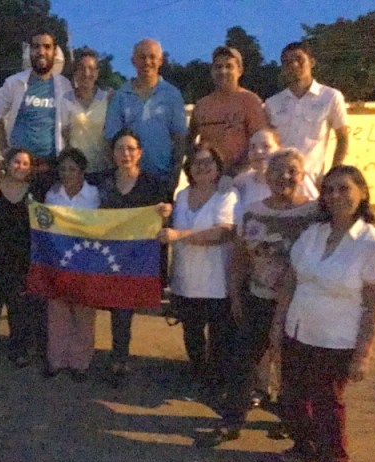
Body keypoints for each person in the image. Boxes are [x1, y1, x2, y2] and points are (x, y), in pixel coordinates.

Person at [271, 165, 375, 462]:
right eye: (329, 189)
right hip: (297, 330)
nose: (335, 195)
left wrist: (363, 354)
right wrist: (277, 329)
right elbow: (291, 284)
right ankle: (304, 445)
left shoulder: (370, 243)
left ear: (362, 193)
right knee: (291, 398)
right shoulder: (313, 233)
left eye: (344, 189)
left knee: (326, 406)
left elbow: (374, 305)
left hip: (336, 341)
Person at [198, 148, 319, 447]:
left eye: (292, 170)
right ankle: (232, 421)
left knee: (294, 367)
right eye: (277, 170)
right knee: (243, 362)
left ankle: (294, 423)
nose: (284, 176)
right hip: (258, 298)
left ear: (303, 176)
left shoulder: (314, 214)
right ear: (265, 176)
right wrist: (236, 296)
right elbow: (240, 257)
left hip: (300, 304)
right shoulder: (253, 211)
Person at [157, 145, 237, 397]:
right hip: (185, 279)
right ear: (188, 168)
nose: (202, 167)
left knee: (218, 336)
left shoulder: (227, 195)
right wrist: (164, 216)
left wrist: (178, 235)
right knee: (191, 332)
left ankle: (216, 381)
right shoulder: (181, 195)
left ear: (217, 167)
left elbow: (223, 233)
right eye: (197, 163)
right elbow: (169, 228)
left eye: (208, 163)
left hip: (216, 281)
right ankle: (198, 375)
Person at [97, 128, 168, 381]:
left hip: (136, 258)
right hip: (106, 254)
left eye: (130, 149)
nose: (125, 153)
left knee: (123, 307)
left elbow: (166, 216)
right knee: (112, 306)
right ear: (112, 153)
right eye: (119, 148)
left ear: (140, 153)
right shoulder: (100, 180)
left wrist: (164, 212)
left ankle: (120, 358)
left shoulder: (153, 184)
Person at [0, 148, 46, 367]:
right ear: (8, 163)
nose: (21, 167)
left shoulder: (33, 193)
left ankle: (18, 350)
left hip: (21, 260)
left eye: (26, 164)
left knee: (19, 310)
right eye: (17, 162)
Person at [0, 29, 72, 197]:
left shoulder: (64, 85)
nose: (41, 52)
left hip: (50, 166)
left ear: (54, 51)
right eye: (36, 47)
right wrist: (4, 149)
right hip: (20, 167)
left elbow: (68, 125)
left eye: (46, 46)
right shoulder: (14, 83)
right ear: (30, 51)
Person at [44, 148, 100, 381]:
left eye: (73, 169)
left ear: (82, 171)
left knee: (83, 315)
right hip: (58, 260)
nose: (67, 173)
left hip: (85, 261)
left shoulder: (94, 195)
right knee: (58, 312)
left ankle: (80, 363)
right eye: (63, 169)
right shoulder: (52, 195)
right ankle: (56, 360)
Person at [104, 39, 186, 190]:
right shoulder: (121, 96)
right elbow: (111, 142)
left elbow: (180, 141)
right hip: (129, 183)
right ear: (133, 61)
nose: (147, 62)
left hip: (162, 180)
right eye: (142, 57)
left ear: (161, 60)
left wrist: (173, 179)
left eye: (152, 57)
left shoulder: (172, 95)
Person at [265, 42, 348, 187]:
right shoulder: (272, 103)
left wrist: (333, 174)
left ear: (311, 62)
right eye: (287, 62)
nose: (294, 65)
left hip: (314, 182)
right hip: (280, 183)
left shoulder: (330, 97)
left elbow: (343, 138)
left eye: (299, 59)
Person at [187, 46, 267, 177]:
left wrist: (234, 172)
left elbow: (259, 142)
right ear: (212, 71)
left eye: (229, 66)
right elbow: (189, 141)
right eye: (218, 67)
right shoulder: (202, 105)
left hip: (243, 177)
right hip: (210, 178)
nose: (223, 71)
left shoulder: (250, 101)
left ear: (240, 70)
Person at [61, 48, 109, 174]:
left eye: (91, 68)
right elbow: (64, 137)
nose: (86, 73)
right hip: (76, 173)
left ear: (97, 73)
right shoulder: (66, 100)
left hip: (103, 170)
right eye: (81, 68)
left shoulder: (107, 99)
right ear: (75, 73)